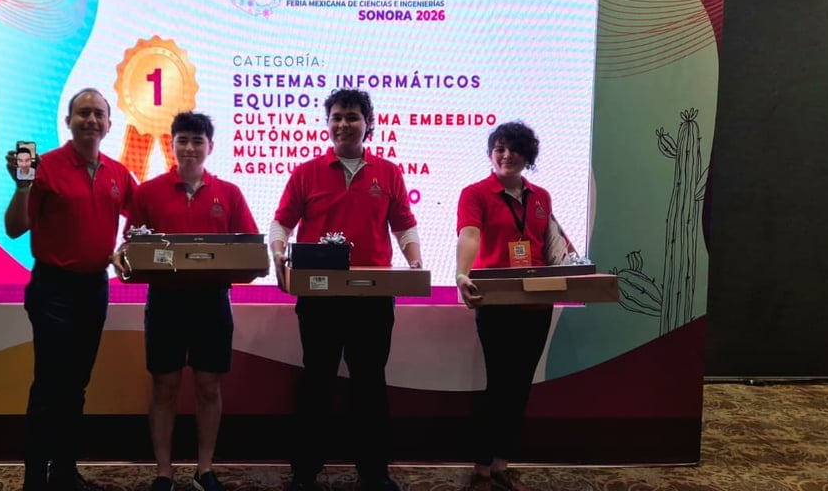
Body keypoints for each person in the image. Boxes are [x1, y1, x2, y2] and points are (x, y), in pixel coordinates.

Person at [269, 89, 423, 491]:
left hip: (372, 297)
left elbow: (404, 224)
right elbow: (282, 222)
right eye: (336, 117)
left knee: (370, 382)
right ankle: (305, 471)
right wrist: (278, 253)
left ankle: (373, 472)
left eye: (352, 117)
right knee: (316, 380)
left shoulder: (388, 172)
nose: (343, 124)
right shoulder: (306, 172)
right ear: (328, 123)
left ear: (368, 123)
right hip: (319, 297)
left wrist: (415, 260)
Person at [4, 88, 137, 491]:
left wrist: (124, 250)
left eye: (99, 114)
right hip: (53, 291)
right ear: (69, 121)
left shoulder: (117, 173)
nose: (91, 120)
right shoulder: (44, 167)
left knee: (76, 385)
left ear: (110, 124)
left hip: (94, 289)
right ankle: (34, 480)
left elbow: (141, 221)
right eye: (83, 113)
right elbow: (14, 227)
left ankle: (63, 471)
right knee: (49, 386)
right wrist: (22, 186)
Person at [125, 112, 259, 491]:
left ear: (210, 147)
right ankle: (164, 472)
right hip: (165, 303)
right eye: (182, 139)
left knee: (208, 387)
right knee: (164, 387)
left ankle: (205, 469)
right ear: (172, 144)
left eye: (197, 141)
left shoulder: (229, 193)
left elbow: (249, 248)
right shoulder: (147, 192)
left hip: (212, 303)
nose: (189, 147)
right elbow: (131, 245)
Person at [454, 121, 576, 491]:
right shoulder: (475, 193)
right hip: (495, 301)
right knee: (499, 384)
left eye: (514, 149)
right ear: (491, 153)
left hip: (537, 304)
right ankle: (480, 465)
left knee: (520, 384)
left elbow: (549, 243)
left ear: (528, 155)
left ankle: (502, 463)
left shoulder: (541, 196)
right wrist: (461, 273)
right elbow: (470, 233)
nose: (506, 155)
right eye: (499, 148)